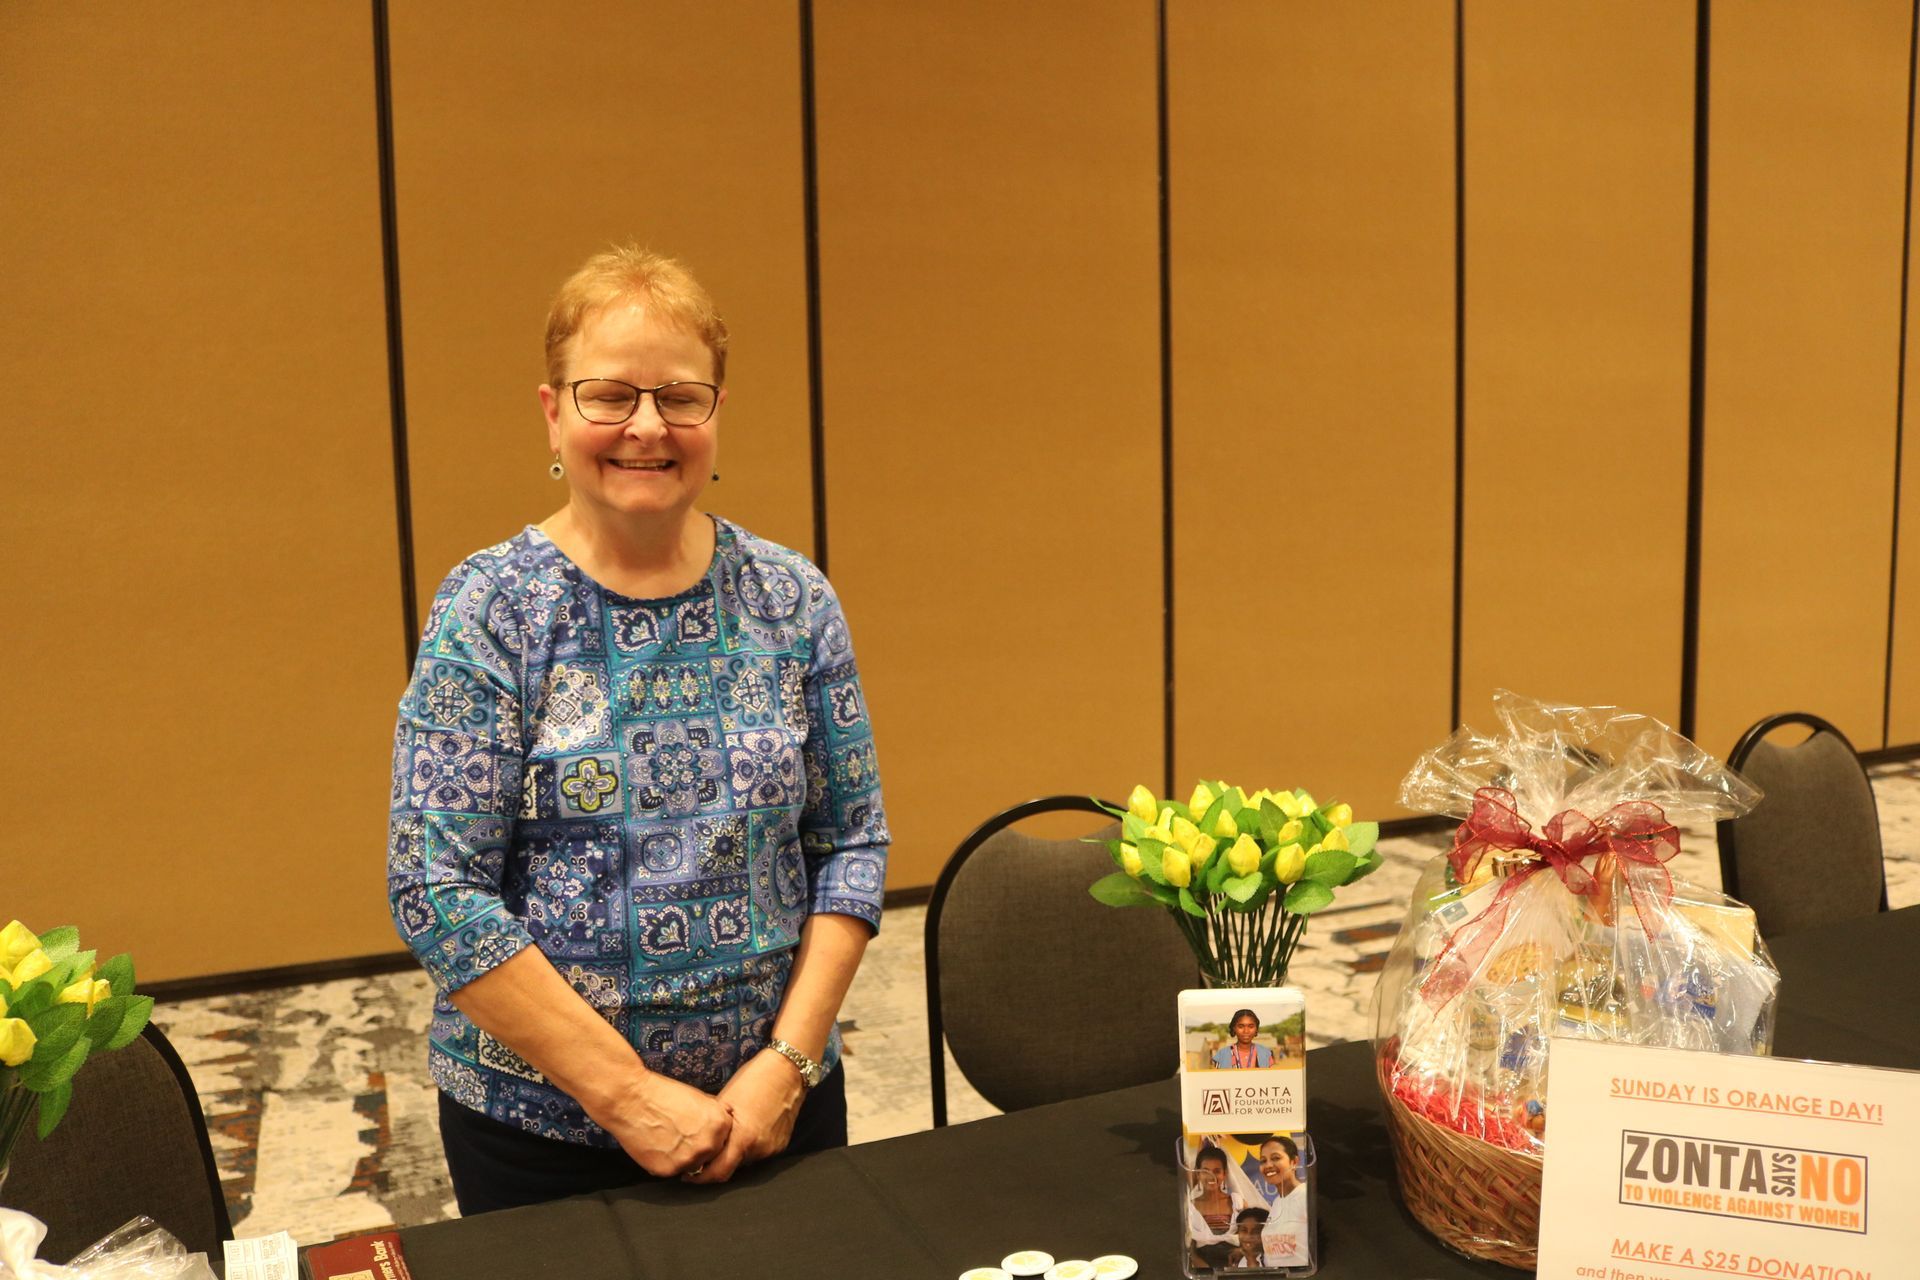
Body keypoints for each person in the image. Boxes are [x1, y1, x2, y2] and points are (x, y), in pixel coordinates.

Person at [386, 246, 889, 1214]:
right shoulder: (489, 609)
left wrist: (785, 1066)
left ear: (716, 413)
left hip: (775, 1114)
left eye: (680, 397)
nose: (647, 427)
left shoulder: (793, 598)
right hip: (545, 1135)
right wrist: (625, 1096)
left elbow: (852, 842)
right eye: (609, 395)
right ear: (552, 412)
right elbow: (435, 889)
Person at [1186, 1143, 1242, 1270]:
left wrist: (1241, 1254)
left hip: (1236, 1268)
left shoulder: (1237, 1202)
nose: (1211, 1176)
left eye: (1217, 1171)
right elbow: (1190, 1249)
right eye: (1205, 1171)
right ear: (1198, 1174)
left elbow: (1249, 1238)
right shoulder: (1190, 1207)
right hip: (1202, 1270)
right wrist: (1203, 1268)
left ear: (1224, 1174)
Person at [1257, 1134, 1309, 1267]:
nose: (1268, 1165)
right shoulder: (1276, 1202)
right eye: (1263, 1160)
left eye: (1275, 1158)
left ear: (1294, 1162)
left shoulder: (1306, 1196)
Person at [1211, 1009, 1276, 1069]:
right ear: (1234, 1028)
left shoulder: (1265, 1053)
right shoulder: (1222, 1055)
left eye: (1251, 1026)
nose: (1246, 1031)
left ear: (1256, 1029)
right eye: (1241, 1026)